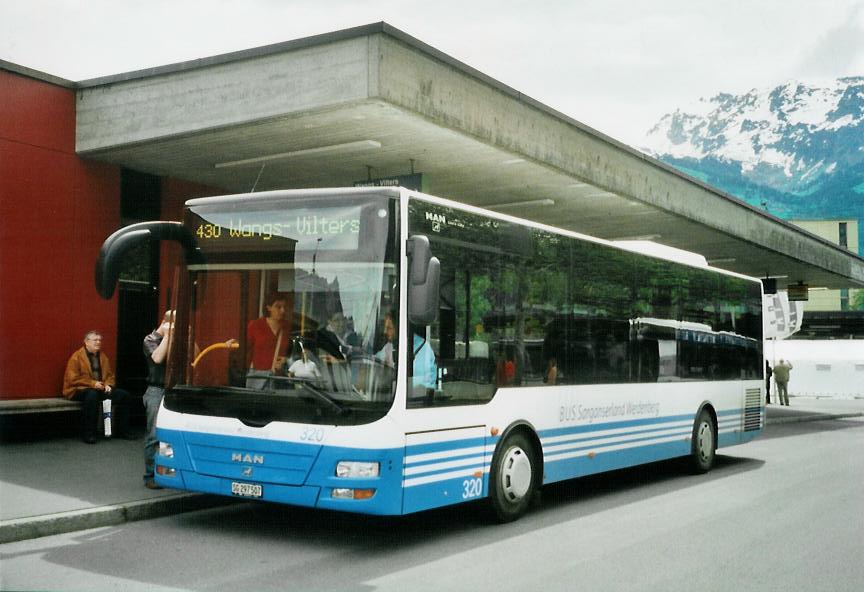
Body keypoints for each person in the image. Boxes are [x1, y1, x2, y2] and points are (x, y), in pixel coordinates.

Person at [63, 330, 132, 444]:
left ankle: (122, 431)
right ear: (86, 342)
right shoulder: (76, 357)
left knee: (124, 396)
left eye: (100, 340)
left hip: (99, 388)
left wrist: (108, 385)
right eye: (95, 340)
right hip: (78, 390)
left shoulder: (103, 356)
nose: (99, 342)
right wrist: (92, 384)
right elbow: (72, 379)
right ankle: (89, 434)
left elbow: (110, 375)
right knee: (92, 395)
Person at [142, 310, 174, 489]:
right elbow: (158, 358)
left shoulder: (174, 339)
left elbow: (194, 357)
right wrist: (168, 335)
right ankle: (150, 476)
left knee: (168, 435)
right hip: (155, 391)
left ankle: (166, 472)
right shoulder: (150, 340)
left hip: (170, 391)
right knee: (154, 435)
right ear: (165, 322)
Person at [246, 294, 291, 388]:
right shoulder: (256, 326)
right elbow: (245, 349)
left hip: (279, 378)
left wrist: (286, 360)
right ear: (268, 307)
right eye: (278, 307)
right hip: (258, 376)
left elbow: (294, 352)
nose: (283, 310)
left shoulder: (288, 328)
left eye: (284, 307)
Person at [411, 325, 437, 399]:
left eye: (389, 328)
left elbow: (426, 383)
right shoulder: (390, 345)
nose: (385, 332)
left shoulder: (422, 347)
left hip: (419, 398)